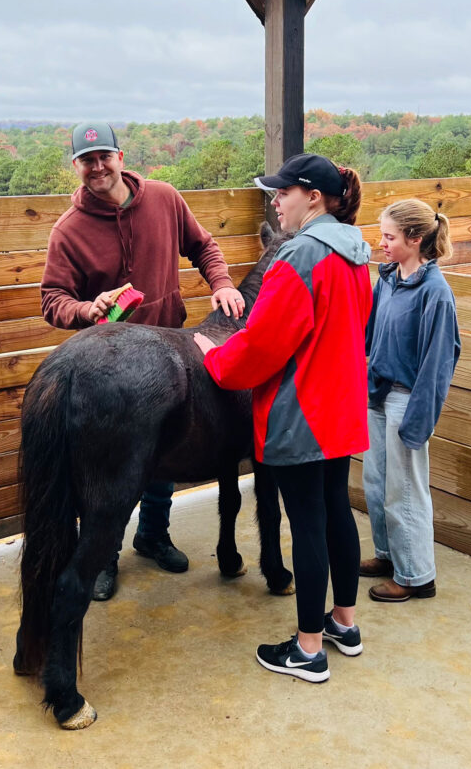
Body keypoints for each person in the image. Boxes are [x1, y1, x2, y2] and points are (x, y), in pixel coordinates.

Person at [41, 121, 245, 601]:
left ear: (121, 156)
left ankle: (153, 534)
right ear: (76, 166)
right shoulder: (68, 231)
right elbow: (52, 299)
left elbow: (204, 246)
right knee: (112, 470)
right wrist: (86, 310)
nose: (97, 166)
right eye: (87, 160)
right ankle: (105, 556)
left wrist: (222, 284)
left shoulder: (165, 198)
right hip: (113, 369)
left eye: (104, 156)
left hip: (172, 345)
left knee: (167, 452)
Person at [193, 153, 372, 683]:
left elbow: (262, 344)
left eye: (282, 193)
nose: (276, 202)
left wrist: (212, 354)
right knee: (337, 513)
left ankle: (308, 650)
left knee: (309, 527)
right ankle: (345, 623)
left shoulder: (297, 257)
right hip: (341, 410)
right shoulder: (359, 253)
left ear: (312, 197)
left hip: (302, 416)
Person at [359, 198, 461, 602]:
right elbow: (369, 336)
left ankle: (417, 576)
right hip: (378, 397)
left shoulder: (435, 293)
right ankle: (388, 556)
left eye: (389, 236)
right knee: (376, 484)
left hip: (406, 402)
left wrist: (419, 422)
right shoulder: (386, 280)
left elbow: (439, 363)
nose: (380, 243)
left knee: (405, 490)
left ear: (415, 239)